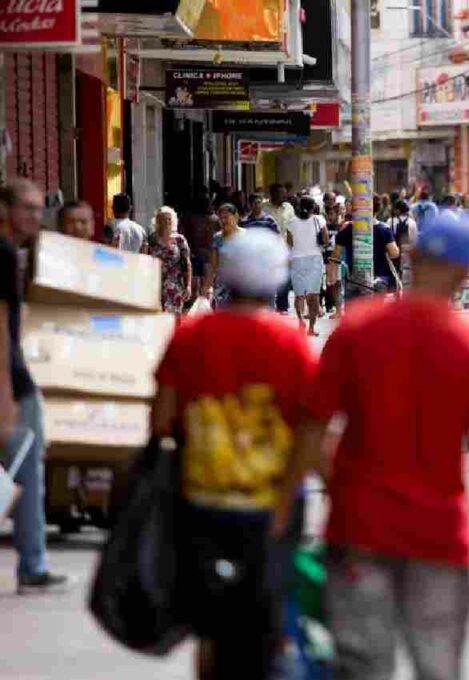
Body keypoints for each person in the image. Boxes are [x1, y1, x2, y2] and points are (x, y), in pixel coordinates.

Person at [297, 212, 469, 680]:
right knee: (437, 669)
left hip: (358, 532)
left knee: (361, 668)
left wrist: (332, 487)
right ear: (468, 270)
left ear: (412, 257)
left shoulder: (356, 330)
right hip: (438, 539)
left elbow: (311, 429)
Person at [151, 229, 316, 680]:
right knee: (269, 615)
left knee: (211, 627)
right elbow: (311, 431)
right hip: (272, 508)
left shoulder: (190, 336)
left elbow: (161, 419)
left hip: (201, 502)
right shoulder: (292, 343)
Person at [0, 179, 67, 593]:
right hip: (11, 383)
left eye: (39, 208)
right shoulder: (4, 252)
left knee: (24, 470)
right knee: (28, 470)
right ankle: (32, 565)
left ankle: (33, 562)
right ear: (4, 208)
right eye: (25, 207)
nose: (34, 216)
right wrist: (6, 393)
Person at [287, 196, 330, 336]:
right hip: (315, 260)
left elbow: (290, 243)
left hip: (297, 259)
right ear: (313, 208)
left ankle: (300, 320)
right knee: (314, 295)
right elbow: (326, 240)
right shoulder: (319, 220)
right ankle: (311, 328)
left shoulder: (291, 222)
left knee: (299, 295)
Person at [148, 206, 193, 315]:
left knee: (174, 316)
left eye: (169, 219)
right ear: (158, 221)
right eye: (164, 219)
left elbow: (187, 263)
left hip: (174, 283)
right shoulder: (152, 239)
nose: (167, 221)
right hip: (156, 283)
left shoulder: (179, 240)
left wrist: (188, 285)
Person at [204, 203, 247, 308]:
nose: (223, 221)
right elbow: (213, 265)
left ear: (235, 216)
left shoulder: (246, 235)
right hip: (223, 287)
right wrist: (207, 286)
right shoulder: (218, 237)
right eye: (221, 218)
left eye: (226, 217)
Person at [181, 194, 219, 306]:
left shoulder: (190, 219)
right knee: (208, 287)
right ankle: (208, 309)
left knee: (195, 289)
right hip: (209, 256)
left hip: (195, 254)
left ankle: (197, 310)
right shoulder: (215, 220)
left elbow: (185, 235)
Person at [266, 184, 297, 313]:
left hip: (284, 248)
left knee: (284, 278)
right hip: (267, 250)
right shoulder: (264, 208)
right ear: (273, 194)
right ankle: (267, 305)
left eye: (285, 193)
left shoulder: (289, 208)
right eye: (281, 193)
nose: (284, 196)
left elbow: (292, 229)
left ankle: (282, 306)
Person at [387, 199, 418, 288]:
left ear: (397, 210)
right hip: (407, 254)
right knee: (406, 280)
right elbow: (415, 240)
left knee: (395, 275)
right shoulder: (412, 223)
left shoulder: (390, 221)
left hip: (394, 252)